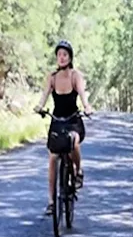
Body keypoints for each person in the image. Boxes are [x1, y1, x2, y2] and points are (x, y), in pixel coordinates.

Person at [34, 39, 91, 215]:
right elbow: (44, 95)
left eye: (65, 54)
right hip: (57, 120)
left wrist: (87, 107)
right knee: (53, 158)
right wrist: (40, 106)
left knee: (74, 142)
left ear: (70, 57)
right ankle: (51, 201)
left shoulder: (75, 76)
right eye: (59, 54)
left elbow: (82, 95)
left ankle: (78, 170)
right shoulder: (52, 77)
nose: (61, 57)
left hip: (73, 120)